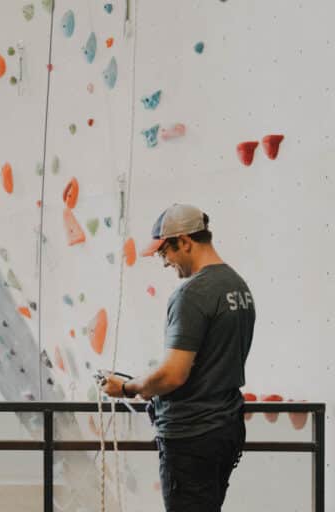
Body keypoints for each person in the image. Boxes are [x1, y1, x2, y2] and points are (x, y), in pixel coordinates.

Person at [102, 204, 255, 512]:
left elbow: (173, 374)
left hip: (191, 435)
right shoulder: (238, 287)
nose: (165, 262)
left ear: (185, 241)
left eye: (165, 252)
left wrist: (127, 388)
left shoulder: (192, 294)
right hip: (225, 428)